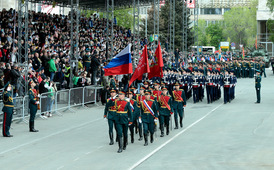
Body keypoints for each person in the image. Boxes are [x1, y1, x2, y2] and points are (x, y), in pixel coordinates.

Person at [114, 89, 132, 153]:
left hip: (125, 119)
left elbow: (130, 112)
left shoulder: (127, 102)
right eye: (119, 95)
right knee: (119, 133)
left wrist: (131, 120)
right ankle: (120, 147)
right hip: (118, 119)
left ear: (124, 96)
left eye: (121, 95)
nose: (120, 96)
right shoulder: (116, 102)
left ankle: (124, 144)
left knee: (125, 133)